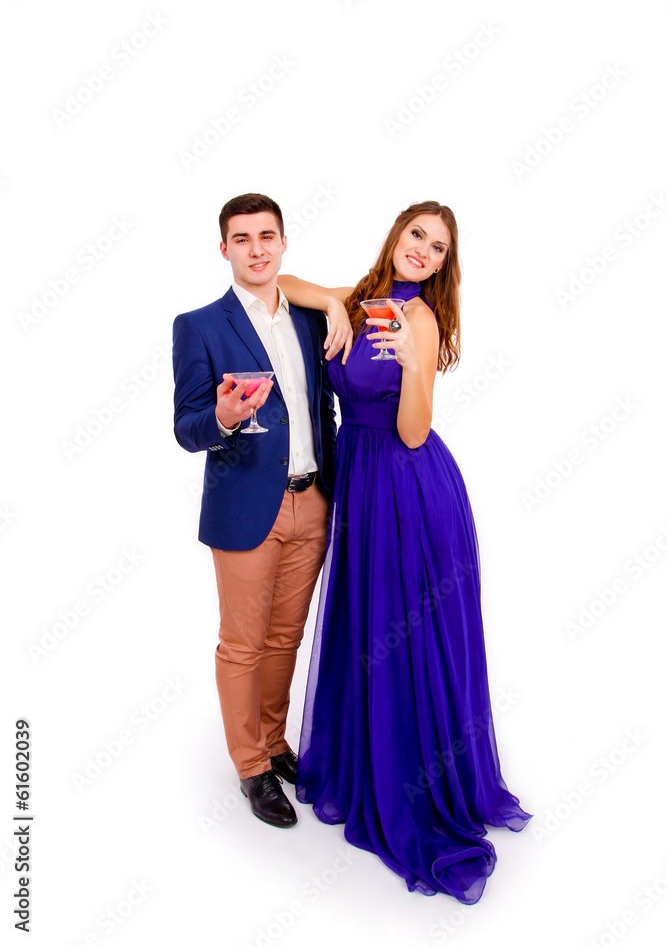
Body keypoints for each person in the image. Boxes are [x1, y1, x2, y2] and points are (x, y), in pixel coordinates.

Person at [277, 200, 532, 901]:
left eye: (438, 247)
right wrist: (334, 308)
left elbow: (415, 432)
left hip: (407, 491)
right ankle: (371, 757)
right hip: (362, 486)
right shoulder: (363, 298)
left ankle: (411, 783)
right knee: (370, 627)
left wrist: (416, 366)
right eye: (417, 234)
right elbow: (288, 283)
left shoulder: (418, 319)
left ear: (445, 264)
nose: (423, 250)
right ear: (396, 235)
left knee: (404, 636)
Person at [171, 193, 347, 828]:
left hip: (312, 501)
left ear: (282, 243)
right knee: (243, 644)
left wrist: (332, 302)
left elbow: (321, 408)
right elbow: (187, 427)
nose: (256, 249)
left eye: (266, 236)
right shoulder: (199, 325)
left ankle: (274, 744)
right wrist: (222, 416)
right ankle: (250, 766)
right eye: (242, 239)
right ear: (224, 249)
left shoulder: (308, 320)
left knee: (285, 637)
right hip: (246, 509)